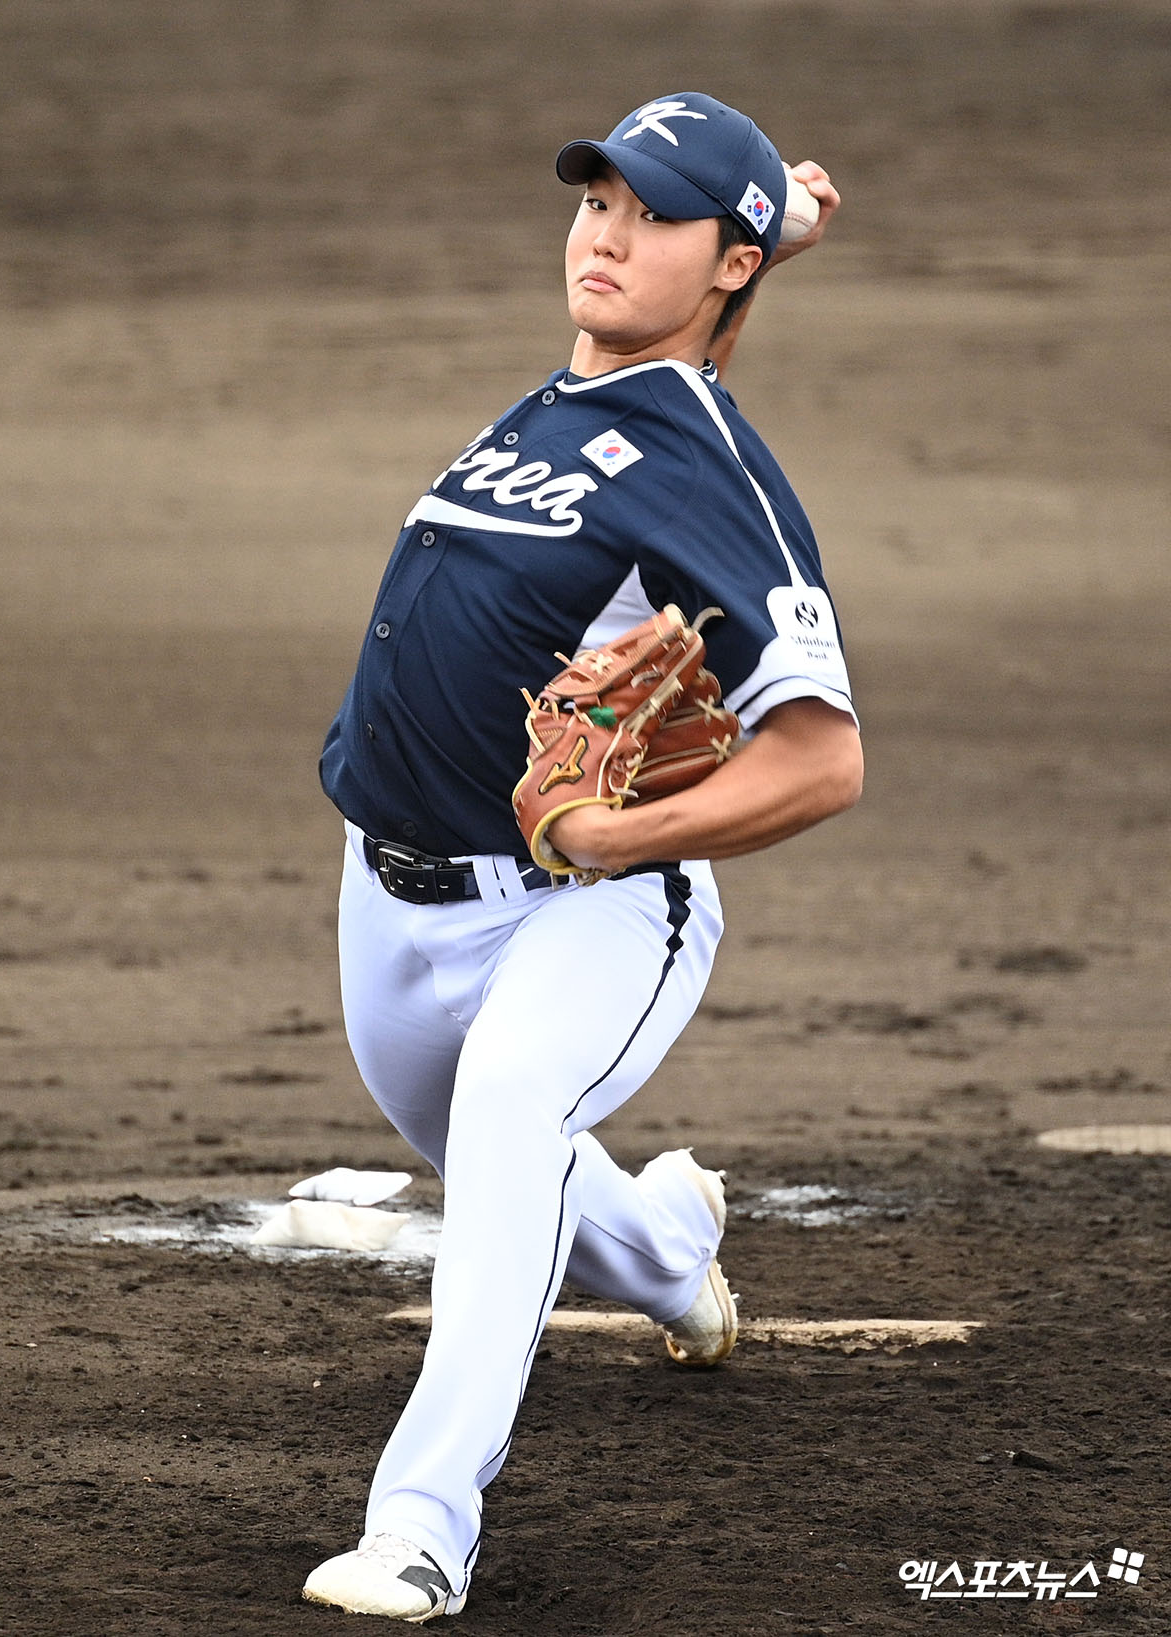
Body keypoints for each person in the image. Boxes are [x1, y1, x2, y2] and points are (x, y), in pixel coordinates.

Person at [303, 92, 862, 1622]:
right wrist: (767, 233)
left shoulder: (713, 474)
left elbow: (824, 755)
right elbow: (678, 347)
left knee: (506, 1117)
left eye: (653, 213)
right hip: (389, 893)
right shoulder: (579, 390)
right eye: (597, 200)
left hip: (590, 907)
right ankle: (672, 1253)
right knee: (497, 1152)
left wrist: (623, 832)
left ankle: (420, 1528)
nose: (604, 234)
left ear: (725, 263)